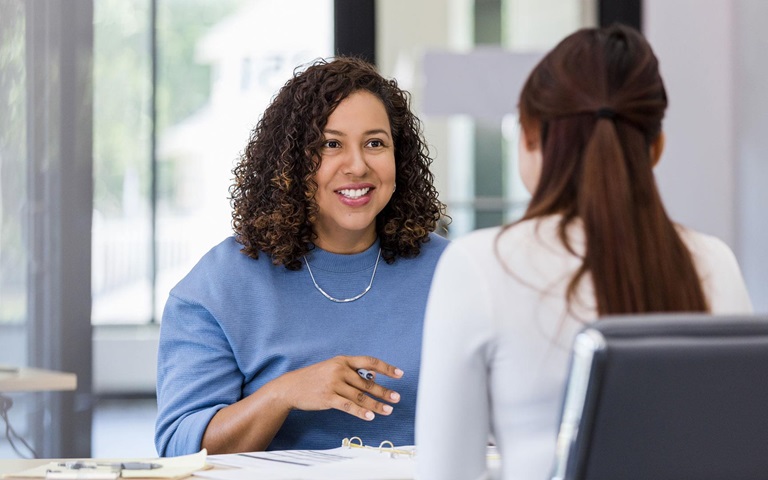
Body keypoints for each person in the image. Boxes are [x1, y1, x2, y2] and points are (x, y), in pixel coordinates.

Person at [414, 24, 753, 480]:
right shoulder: (714, 262)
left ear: (531, 137)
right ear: (655, 148)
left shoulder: (480, 264)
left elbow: (446, 472)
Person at [155, 56, 449, 456]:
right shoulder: (220, 285)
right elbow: (180, 449)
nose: (358, 165)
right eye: (331, 144)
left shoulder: (454, 273)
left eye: (375, 143)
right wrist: (283, 394)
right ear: (290, 162)